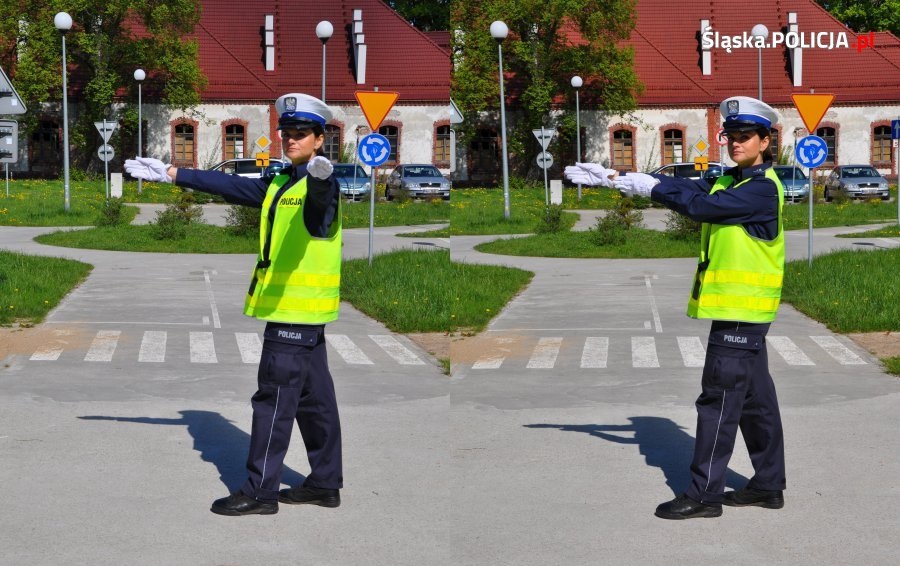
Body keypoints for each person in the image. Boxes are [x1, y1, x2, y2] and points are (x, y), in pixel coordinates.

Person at [565, 96, 787, 520]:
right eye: (731, 135)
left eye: (745, 136)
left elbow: (701, 207)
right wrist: (620, 177)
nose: (735, 143)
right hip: (743, 314)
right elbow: (689, 189)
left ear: (765, 141)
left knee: (718, 402)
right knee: (756, 401)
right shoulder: (732, 180)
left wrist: (649, 187)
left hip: (741, 315)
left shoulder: (760, 189)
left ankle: (704, 495)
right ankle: (768, 485)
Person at [125, 93, 344, 517]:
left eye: (301, 133)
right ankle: (324, 483)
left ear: (320, 140)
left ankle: (260, 493)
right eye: (287, 132)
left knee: (273, 402)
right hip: (307, 316)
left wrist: (321, 179)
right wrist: (173, 173)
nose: (291, 139)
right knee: (315, 401)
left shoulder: (321, 184)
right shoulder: (281, 182)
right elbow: (231, 185)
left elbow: (321, 208)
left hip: (293, 314)